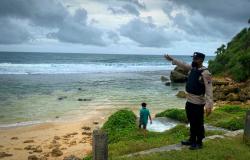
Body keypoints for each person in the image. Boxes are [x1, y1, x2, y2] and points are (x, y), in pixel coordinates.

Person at [164, 52, 213, 150]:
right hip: (189, 101)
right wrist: (172, 59)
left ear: (201, 60)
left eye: (195, 59)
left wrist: (209, 105)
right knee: (191, 122)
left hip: (198, 103)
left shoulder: (205, 73)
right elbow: (183, 64)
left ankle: (199, 142)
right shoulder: (193, 69)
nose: (193, 60)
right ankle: (191, 139)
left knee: (198, 123)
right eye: (193, 58)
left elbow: (209, 89)